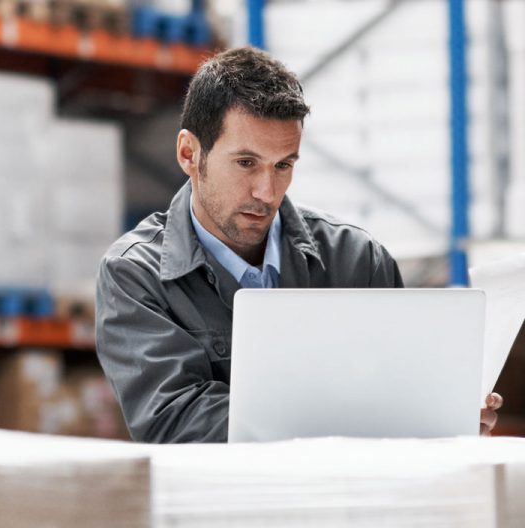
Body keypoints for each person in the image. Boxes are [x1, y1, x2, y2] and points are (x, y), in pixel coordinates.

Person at [95, 46, 502, 443]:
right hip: (216, 508)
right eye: (246, 163)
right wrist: (362, 422)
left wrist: (445, 413)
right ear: (189, 153)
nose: (266, 191)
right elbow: (175, 419)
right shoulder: (135, 275)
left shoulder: (358, 260)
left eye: (284, 165)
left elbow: (404, 391)